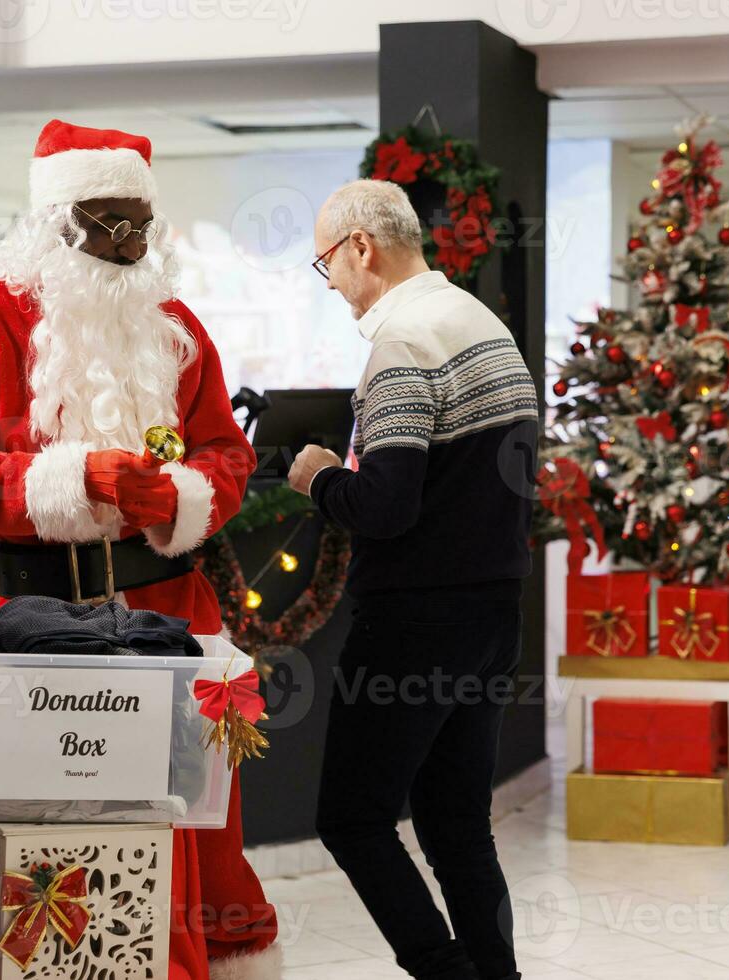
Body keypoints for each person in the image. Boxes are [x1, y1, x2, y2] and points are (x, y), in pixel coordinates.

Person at [0, 120, 280, 980]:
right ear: (53, 220)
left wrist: (184, 495)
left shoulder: (177, 323)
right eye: (100, 224)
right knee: (55, 830)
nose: (121, 247)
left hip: (175, 617)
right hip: (38, 625)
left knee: (193, 830)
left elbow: (227, 452)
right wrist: (75, 479)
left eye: (137, 227)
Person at [287, 178, 540, 980]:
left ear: (362, 247)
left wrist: (320, 477)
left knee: (353, 819)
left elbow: (385, 507)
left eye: (326, 263)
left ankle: (443, 969)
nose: (330, 284)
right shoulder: (482, 326)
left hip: (412, 626)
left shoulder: (403, 343)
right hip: (493, 612)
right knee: (457, 821)